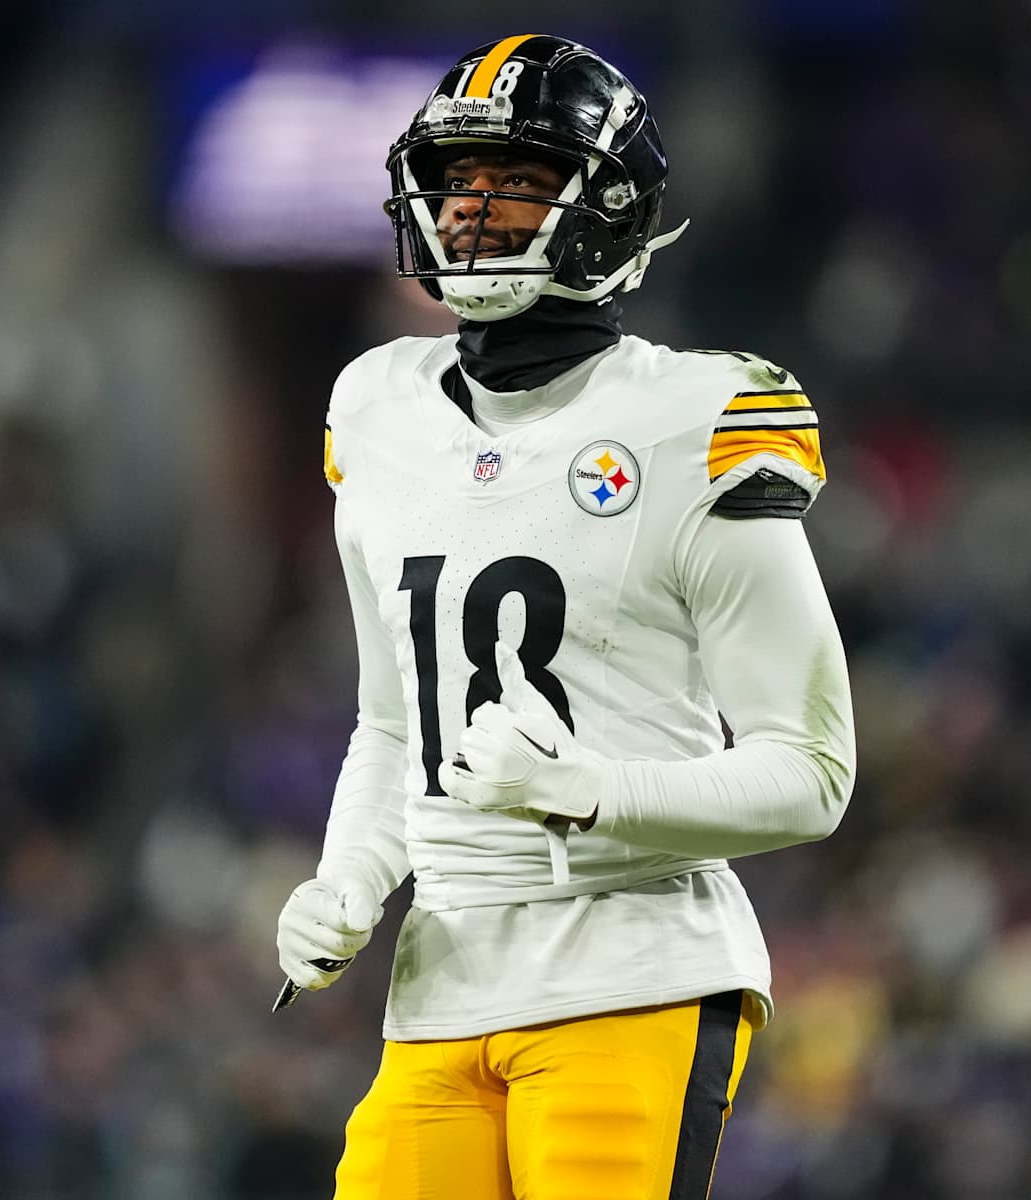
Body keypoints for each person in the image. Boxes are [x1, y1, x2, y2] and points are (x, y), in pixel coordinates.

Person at [275, 33, 856, 1199]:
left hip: (632, 969)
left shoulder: (701, 416)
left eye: (521, 181)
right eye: (461, 181)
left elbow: (813, 771)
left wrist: (601, 794)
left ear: (610, 209)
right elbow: (396, 724)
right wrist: (349, 875)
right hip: (440, 986)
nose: (477, 211)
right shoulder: (375, 406)